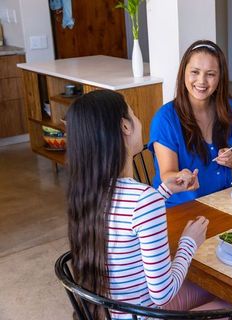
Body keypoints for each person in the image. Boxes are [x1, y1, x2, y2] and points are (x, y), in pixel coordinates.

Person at [66, 90, 218, 319]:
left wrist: (163, 192)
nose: (138, 120)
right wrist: (189, 243)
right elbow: (162, 293)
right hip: (147, 314)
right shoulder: (143, 200)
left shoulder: (87, 191)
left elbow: (126, 214)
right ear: (125, 127)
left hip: (111, 313)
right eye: (133, 114)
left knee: (212, 292)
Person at [149, 39, 232, 207]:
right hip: (182, 209)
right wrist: (182, 176)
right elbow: (167, 174)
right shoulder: (165, 119)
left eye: (210, 74)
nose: (202, 81)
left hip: (224, 202)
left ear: (219, 78)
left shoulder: (227, 108)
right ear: (184, 73)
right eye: (195, 72)